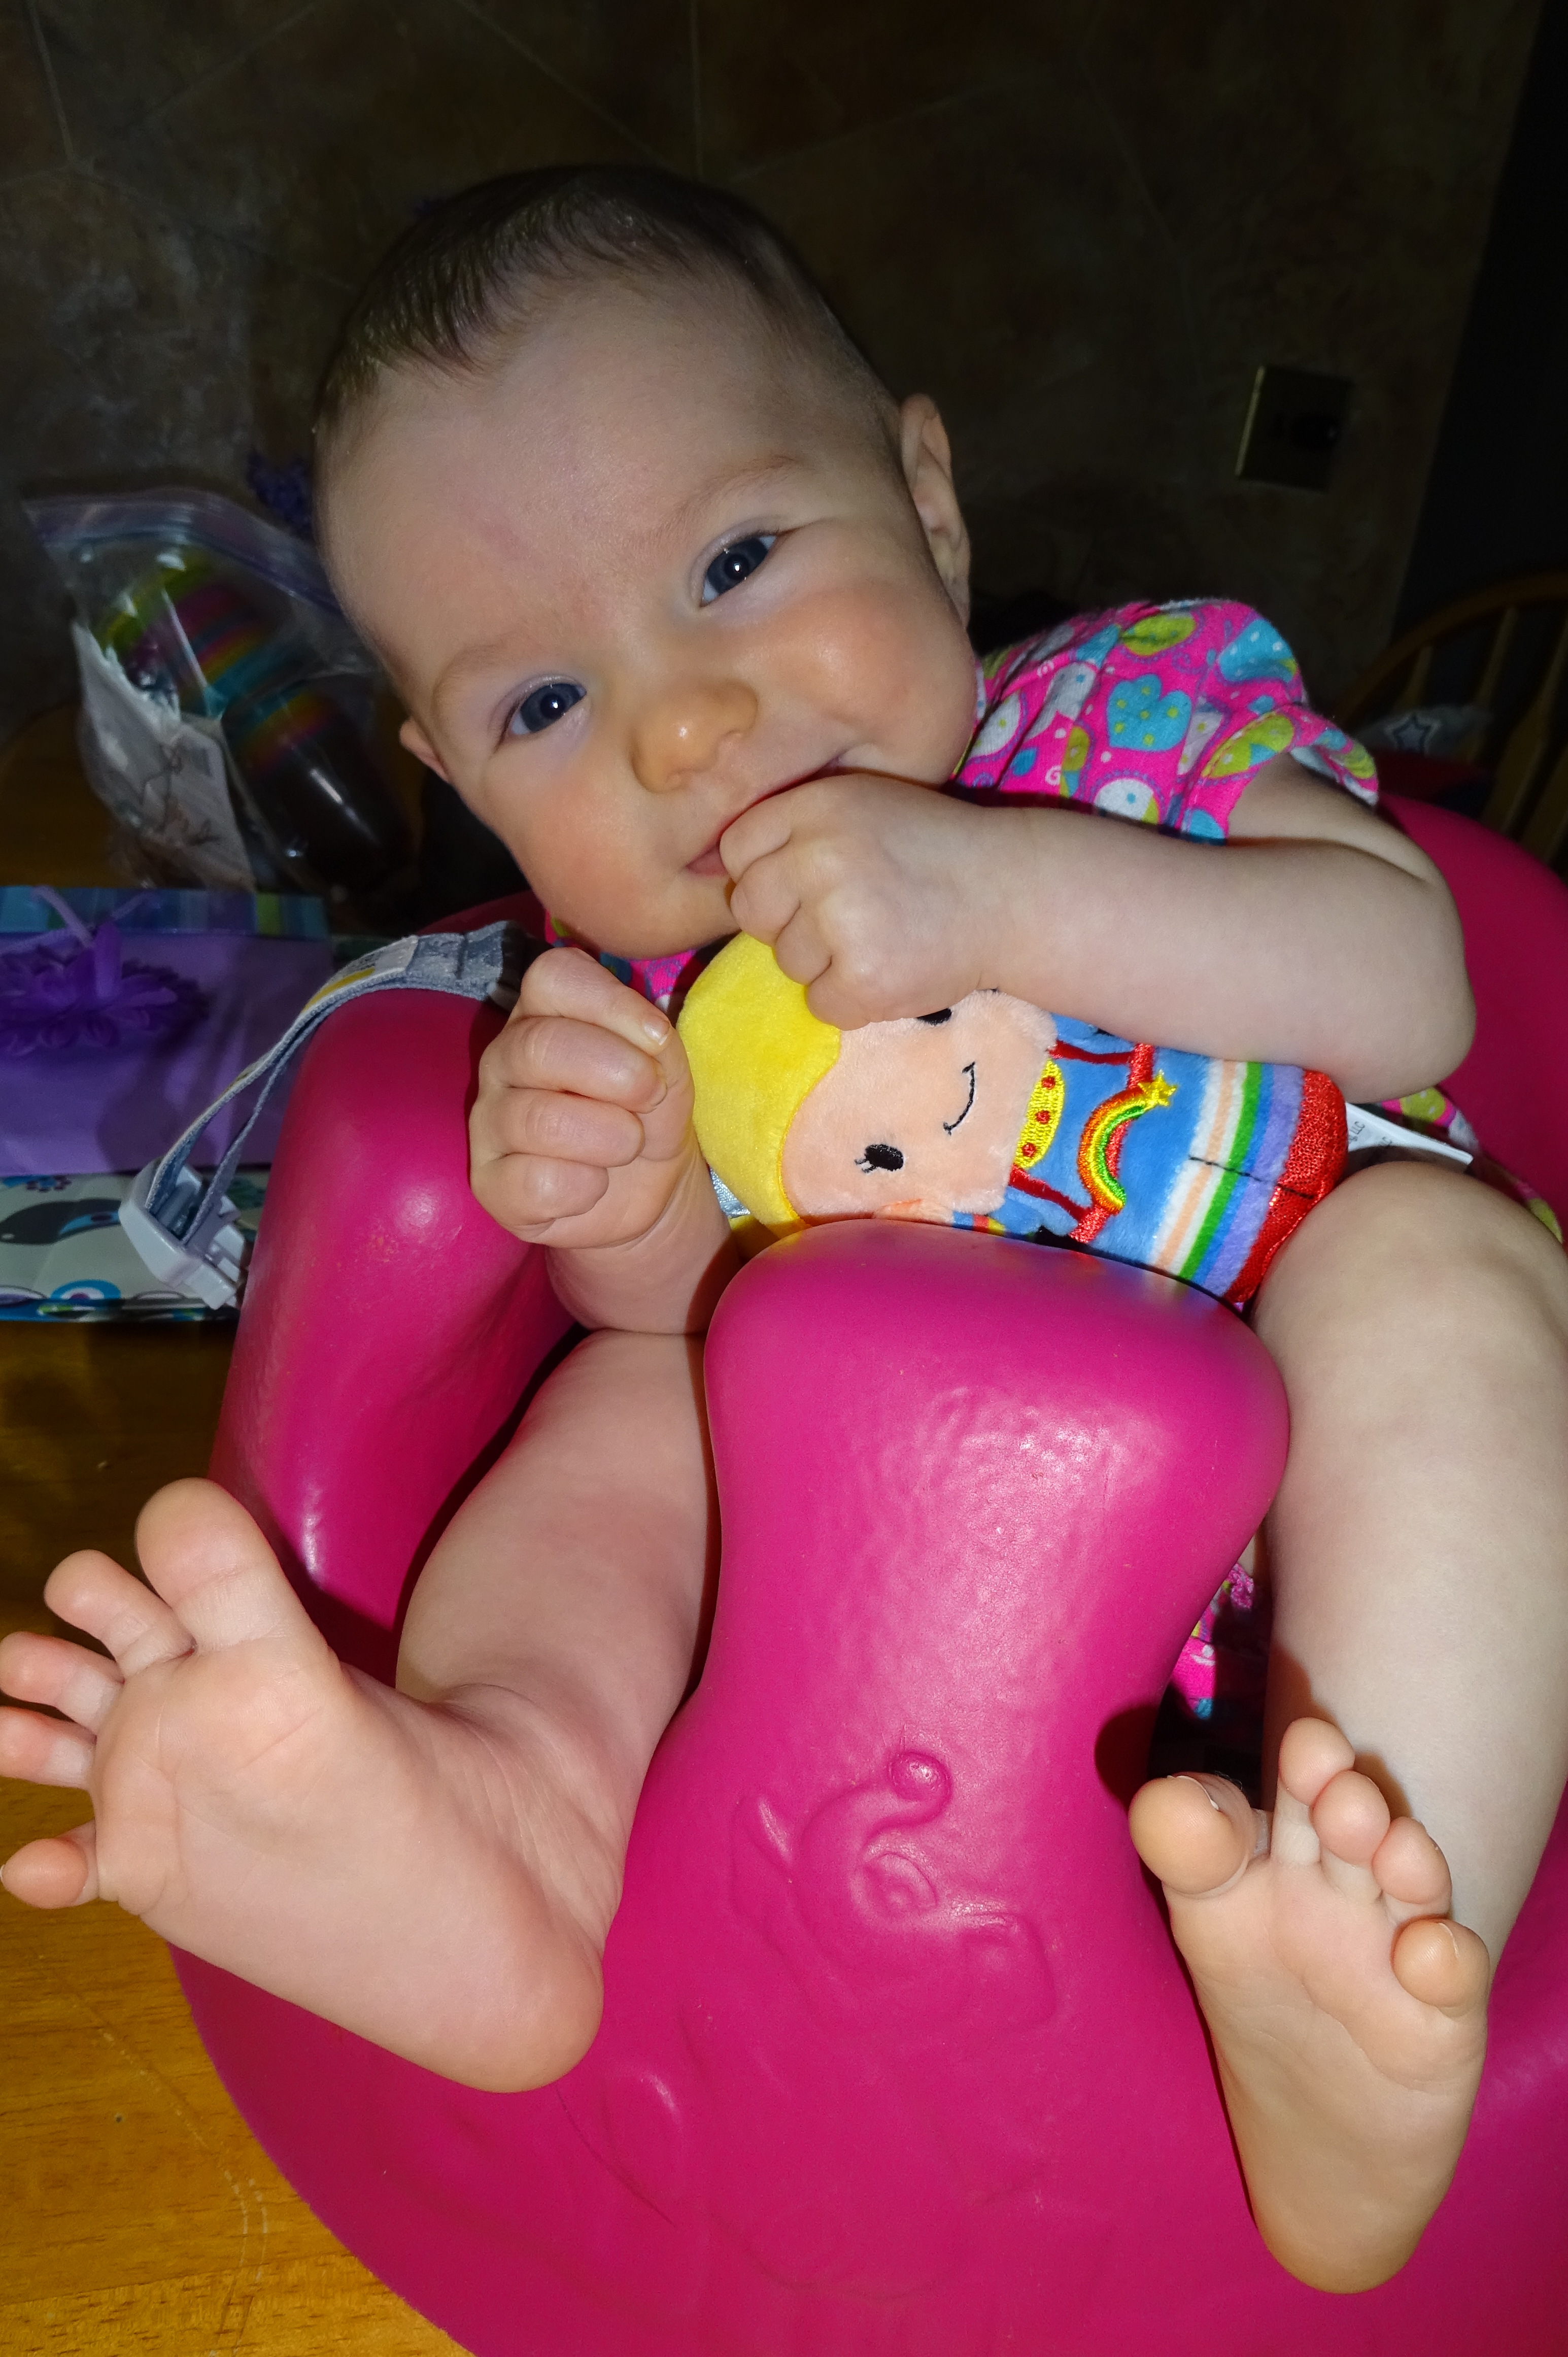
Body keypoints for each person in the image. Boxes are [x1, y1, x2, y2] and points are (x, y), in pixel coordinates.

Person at [3, 168, 1566, 2298]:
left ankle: (1369, 1957)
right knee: (629, 1404)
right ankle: (507, 1815)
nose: (679, 724)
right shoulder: (634, 978)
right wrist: (620, 1198)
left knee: (1447, 1283)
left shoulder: (1128, 725)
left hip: (1319, 1500)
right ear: (451, 770)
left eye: (733, 563)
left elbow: (1407, 982)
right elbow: (678, 1308)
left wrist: (999, 897)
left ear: (924, 504)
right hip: (886, 1600)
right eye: (542, 707)